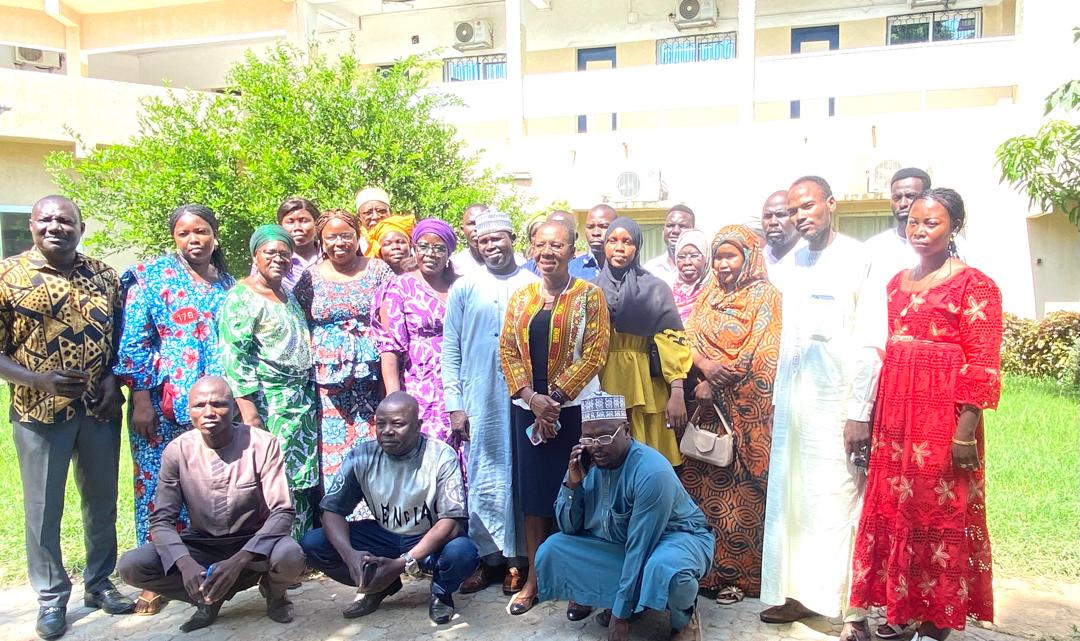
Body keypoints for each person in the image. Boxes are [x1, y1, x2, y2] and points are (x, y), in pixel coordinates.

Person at [850, 189, 1002, 641]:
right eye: (913, 221)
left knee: (937, 512)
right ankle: (902, 608)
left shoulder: (976, 285)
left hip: (942, 417)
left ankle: (936, 621)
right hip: (895, 414)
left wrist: (964, 432)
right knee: (896, 509)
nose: (918, 230)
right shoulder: (895, 284)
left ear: (955, 227)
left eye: (931, 222)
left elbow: (982, 364)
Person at [0, 195, 132, 640]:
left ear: (80, 227)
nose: (55, 227)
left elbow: (120, 337)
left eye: (65, 220)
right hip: (38, 412)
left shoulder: (104, 276)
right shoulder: (8, 276)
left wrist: (113, 379)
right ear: (32, 225)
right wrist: (38, 380)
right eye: (46, 220)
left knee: (101, 501)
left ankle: (99, 583)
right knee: (43, 508)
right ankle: (51, 597)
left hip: (98, 409)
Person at [760, 177, 883, 641]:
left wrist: (859, 411)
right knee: (792, 500)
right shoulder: (791, 264)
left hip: (838, 405)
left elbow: (871, 340)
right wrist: (778, 400)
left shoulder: (858, 258)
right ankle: (794, 595)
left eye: (807, 206)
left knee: (837, 501)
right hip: (795, 405)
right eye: (793, 210)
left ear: (831, 203)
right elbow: (787, 340)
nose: (799, 217)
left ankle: (849, 611)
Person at [113, 203, 235, 616]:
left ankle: (204, 566)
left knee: (208, 486)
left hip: (215, 406)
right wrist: (141, 399)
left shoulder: (227, 283)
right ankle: (156, 574)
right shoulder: (152, 277)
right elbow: (134, 341)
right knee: (157, 487)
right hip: (164, 403)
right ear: (174, 238)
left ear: (215, 234)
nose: (194, 239)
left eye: (201, 231)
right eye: (184, 233)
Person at [117, 376, 305, 633]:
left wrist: (239, 560)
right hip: (203, 545)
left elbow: (282, 511)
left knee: (291, 556)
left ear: (234, 408)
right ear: (189, 411)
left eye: (218, 404)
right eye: (199, 405)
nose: (208, 412)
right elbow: (161, 521)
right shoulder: (177, 451)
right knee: (132, 565)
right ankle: (206, 596)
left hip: (254, 545)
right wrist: (185, 564)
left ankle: (275, 593)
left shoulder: (263, 445)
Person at [534, 392, 714, 641]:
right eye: (588, 438)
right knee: (553, 549)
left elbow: (641, 545)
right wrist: (573, 485)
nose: (596, 446)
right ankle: (627, 601)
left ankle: (684, 619)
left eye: (605, 436)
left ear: (627, 431)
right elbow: (569, 528)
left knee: (669, 571)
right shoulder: (587, 464)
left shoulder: (651, 472)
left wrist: (620, 616)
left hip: (675, 540)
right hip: (624, 542)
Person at [499, 220, 610, 615]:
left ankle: (580, 584)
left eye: (557, 245)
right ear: (532, 249)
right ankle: (534, 579)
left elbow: (595, 352)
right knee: (535, 497)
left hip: (576, 410)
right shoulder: (521, 297)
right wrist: (533, 400)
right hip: (528, 410)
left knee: (579, 492)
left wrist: (555, 400)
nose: (547, 252)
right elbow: (507, 351)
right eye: (541, 244)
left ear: (571, 250)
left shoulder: (590, 295)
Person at [300, 392, 479, 625]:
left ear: (418, 426)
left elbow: (452, 523)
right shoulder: (361, 456)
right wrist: (349, 555)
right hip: (384, 535)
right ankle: (378, 584)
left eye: (397, 424)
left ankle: (441, 591)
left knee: (463, 553)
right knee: (313, 544)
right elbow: (332, 510)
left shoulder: (441, 455)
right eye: (381, 423)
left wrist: (402, 563)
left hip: (427, 537)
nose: (387, 431)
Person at [679, 225, 782, 604]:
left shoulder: (765, 296)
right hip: (704, 410)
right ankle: (701, 570)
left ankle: (738, 578)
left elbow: (762, 349)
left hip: (743, 411)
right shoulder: (709, 293)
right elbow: (686, 337)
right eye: (719, 257)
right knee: (700, 494)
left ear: (748, 257)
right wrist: (704, 368)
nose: (722, 264)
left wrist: (717, 382)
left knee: (741, 500)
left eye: (730, 256)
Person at [442, 210, 538, 596]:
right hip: (478, 394)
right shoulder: (465, 287)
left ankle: (519, 561)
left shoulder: (533, 284)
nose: (491, 246)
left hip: (525, 396)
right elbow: (451, 347)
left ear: (512, 238)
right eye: (484, 241)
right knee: (484, 475)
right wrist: (455, 404)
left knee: (521, 473)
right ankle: (488, 559)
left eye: (497, 238)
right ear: (476, 245)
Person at [218, 224, 318, 540]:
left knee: (299, 480)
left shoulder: (287, 295)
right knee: (271, 478)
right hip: (268, 402)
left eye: (285, 254)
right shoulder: (241, 296)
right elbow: (235, 357)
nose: (278, 259)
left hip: (299, 403)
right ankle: (271, 549)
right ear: (255, 256)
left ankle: (299, 549)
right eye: (270, 252)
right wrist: (249, 413)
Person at [293, 210, 395, 485]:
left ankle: (373, 508)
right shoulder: (310, 277)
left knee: (375, 447)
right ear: (321, 241)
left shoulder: (378, 270)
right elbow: (301, 323)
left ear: (357, 236)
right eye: (331, 237)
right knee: (333, 449)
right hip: (328, 385)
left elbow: (389, 326)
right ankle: (337, 506)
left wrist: (390, 385)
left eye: (346, 236)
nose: (339, 243)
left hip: (372, 379)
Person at [596, 217, 691, 466]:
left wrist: (677, 391)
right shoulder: (591, 289)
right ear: (604, 245)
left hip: (645, 385)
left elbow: (671, 343)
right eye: (612, 241)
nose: (619, 248)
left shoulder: (656, 289)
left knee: (648, 461)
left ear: (637, 247)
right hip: (602, 382)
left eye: (627, 241)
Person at [376, 219, 459, 456]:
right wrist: (394, 399)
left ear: (449, 253)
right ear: (414, 248)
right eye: (423, 246)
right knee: (426, 450)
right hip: (420, 382)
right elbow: (390, 348)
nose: (430, 254)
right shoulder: (400, 287)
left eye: (439, 248)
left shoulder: (461, 286)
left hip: (459, 381)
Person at [277, 198, 322, 291]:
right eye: (290, 222)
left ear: (316, 224)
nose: (297, 228)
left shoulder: (329, 255)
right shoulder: (272, 258)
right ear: (280, 226)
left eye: (304, 221)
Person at [644, 205, 695, 287]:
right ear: (663, 230)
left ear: (693, 231)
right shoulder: (650, 269)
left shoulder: (701, 270)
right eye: (670, 225)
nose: (676, 231)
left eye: (682, 226)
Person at [670, 228, 710, 323]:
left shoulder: (715, 293)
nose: (687, 262)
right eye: (681, 257)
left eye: (694, 256)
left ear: (706, 258)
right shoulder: (666, 290)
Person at [761, 190, 802, 267]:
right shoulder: (755, 264)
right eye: (767, 216)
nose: (772, 222)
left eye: (781, 215)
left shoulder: (815, 259)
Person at [450, 203, 488, 277]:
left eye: (482, 222)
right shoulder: (454, 266)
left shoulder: (508, 263)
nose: (477, 228)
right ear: (462, 229)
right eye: (471, 223)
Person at [355, 186, 393, 256]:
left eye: (381, 211)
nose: (375, 217)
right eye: (367, 213)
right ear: (359, 217)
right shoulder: (355, 246)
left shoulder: (403, 241)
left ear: (390, 213)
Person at [584, 204, 618, 272]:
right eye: (590, 227)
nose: (596, 233)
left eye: (604, 226)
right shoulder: (571, 269)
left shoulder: (628, 270)